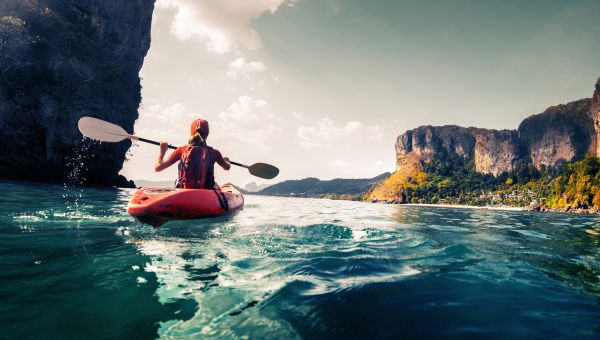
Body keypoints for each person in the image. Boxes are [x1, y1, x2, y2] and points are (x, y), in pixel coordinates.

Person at [155, 118, 231, 189]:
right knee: (215, 184)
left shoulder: (181, 150)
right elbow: (227, 167)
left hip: (184, 191)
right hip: (206, 193)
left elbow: (158, 168)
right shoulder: (214, 153)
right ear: (207, 134)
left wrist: (162, 150)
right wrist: (226, 161)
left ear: (191, 133)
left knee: (176, 181)